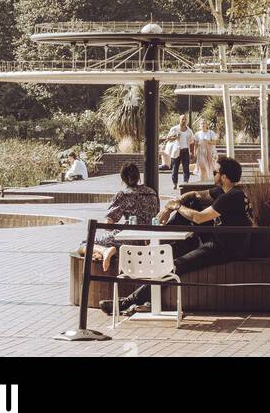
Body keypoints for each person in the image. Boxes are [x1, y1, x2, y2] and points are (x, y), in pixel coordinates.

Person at [105, 156, 254, 316]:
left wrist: (176, 206)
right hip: (219, 239)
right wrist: (171, 208)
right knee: (191, 204)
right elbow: (194, 195)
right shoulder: (223, 191)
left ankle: (130, 301)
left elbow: (199, 218)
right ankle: (162, 239)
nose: (213, 174)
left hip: (225, 248)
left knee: (175, 265)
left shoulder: (231, 197)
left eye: (215, 172)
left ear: (223, 177)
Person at [85, 161, 159, 273]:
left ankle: (105, 251)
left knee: (86, 243)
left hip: (129, 240)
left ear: (123, 178)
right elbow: (156, 213)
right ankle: (103, 252)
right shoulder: (152, 193)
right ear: (139, 177)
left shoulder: (124, 194)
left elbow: (108, 225)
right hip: (149, 240)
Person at [166, 114, 195, 192]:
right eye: (182, 119)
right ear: (179, 120)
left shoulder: (189, 131)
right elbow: (168, 138)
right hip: (176, 151)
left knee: (186, 168)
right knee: (175, 168)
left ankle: (186, 183)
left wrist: (192, 153)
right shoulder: (174, 129)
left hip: (185, 151)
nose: (184, 121)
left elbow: (192, 142)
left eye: (185, 119)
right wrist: (176, 137)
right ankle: (175, 183)